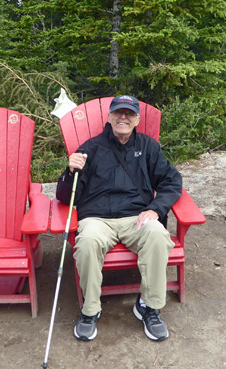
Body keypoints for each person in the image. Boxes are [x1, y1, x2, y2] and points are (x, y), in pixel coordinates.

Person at [56, 95, 182, 342]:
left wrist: (155, 209)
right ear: (110, 116)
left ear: (137, 118)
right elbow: (64, 196)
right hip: (97, 218)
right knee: (88, 242)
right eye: (118, 112)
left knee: (157, 235)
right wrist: (70, 171)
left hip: (136, 216)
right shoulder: (90, 149)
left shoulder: (148, 147)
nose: (123, 117)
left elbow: (172, 181)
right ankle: (90, 310)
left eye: (129, 113)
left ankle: (148, 306)